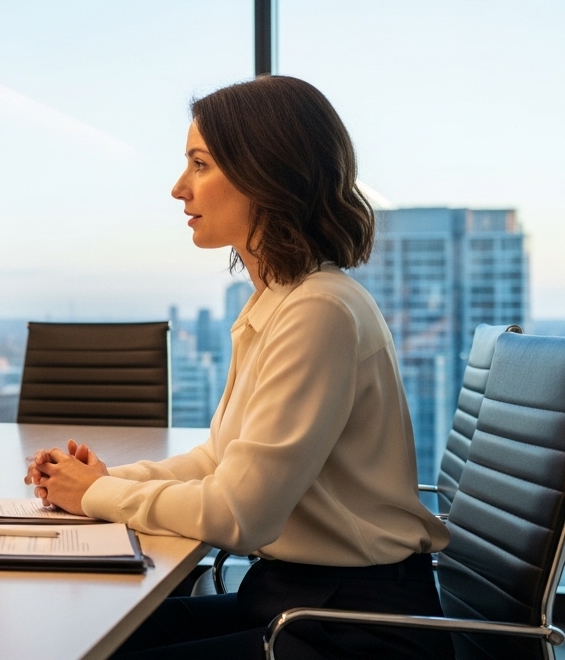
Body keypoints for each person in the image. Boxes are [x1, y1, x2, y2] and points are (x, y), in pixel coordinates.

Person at [25, 76, 451, 659]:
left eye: (199, 164)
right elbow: (221, 463)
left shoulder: (318, 310)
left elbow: (240, 514)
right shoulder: (280, 299)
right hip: (298, 600)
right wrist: (110, 481)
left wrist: (98, 493)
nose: (179, 189)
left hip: (353, 627)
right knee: (78, 639)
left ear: (265, 175)